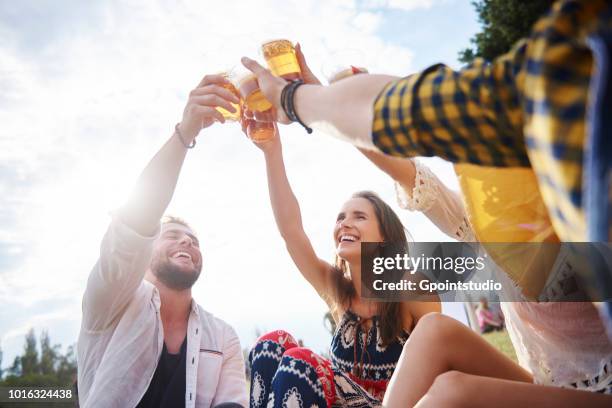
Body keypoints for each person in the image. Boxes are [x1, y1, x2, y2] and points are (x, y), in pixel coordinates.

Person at [240, 0, 611, 245]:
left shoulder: (568, 71)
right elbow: (406, 155)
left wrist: (299, 100)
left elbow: (405, 114)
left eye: (357, 216)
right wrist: (326, 104)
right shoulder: (490, 231)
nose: (345, 226)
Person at [241, 115, 440, 407]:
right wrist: (272, 151)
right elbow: (292, 232)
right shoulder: (337, 291)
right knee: (272, 344)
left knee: (300, 360)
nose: (345, 224)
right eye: (340, 218)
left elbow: (441, 363)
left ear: (384, 236)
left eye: (359, 217)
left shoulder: (410, 287)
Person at [77, 74, 248, 408]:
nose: (187, 243)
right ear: (148, 245)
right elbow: (135, 221)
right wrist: (186, 132)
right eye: (173, 235)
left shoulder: (223, 336)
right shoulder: (110, 300)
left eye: (194, 240)